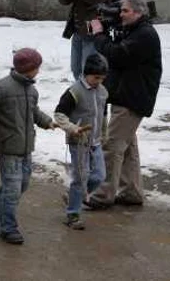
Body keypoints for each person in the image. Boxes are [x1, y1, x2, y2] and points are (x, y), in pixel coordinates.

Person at [86, 0, 162, 209]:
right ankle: (131, 191)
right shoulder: (135, 31)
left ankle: (101, 195)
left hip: (132, 98)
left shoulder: (144, 35)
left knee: (112, 147)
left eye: (125, 11)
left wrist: (99, 35)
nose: (120, 15)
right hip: (127, 96)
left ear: (138, 12)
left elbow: (117, 55)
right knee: (127, 148)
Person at [0, 48, 55, 245]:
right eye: (37, 67)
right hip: (8, 146)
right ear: (29, 68)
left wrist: (47, 122)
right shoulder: (1, 89)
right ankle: (7, 227)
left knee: (23, 184)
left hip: (26, 146)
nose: (39, 71)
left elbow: (33, 112)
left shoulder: (31, 90)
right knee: (12, 189)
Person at [54, 53, 109, 230]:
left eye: (102, 78)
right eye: (96, 77)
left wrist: (104, 133)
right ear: (86, 74)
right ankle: (73, 214)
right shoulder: (74, 92)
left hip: (96, 141)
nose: (99, 81)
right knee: (81, 177)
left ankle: (74, 196)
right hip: (78, 141)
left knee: (99, 175)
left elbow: (103, 114)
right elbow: (59, 114)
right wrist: (72, 128)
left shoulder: (102, 92)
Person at [58, 0, 112, 80]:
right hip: (78, 29)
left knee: (88, 68)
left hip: (94, 27)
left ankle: (90, 92)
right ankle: (81, 91)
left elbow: (97, 0)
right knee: (75, 68)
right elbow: (63, 1)